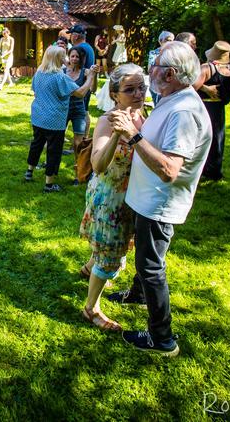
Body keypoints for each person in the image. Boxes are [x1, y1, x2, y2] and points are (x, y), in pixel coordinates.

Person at [106, 40, 211, 356]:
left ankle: (162, 339)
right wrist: (140, 126)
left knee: (151, 267)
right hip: (146, 197)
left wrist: (133, 136)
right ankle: (138, 295)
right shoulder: (171, 97)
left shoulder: (184, 111)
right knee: (144, 259)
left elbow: (169, 169)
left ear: (169, 73)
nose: (149, 70)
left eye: (154, 65)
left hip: (159, 202)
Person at [79, 64, 146, 331]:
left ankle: (89, 266)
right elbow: (97, 164)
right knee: (111, 254)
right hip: (111, 198)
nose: (138, 94)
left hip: (133, 196)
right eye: (130, 90)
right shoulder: (109, 121)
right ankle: (91, 308)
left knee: (110, 246)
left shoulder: (143, 115)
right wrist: (118, 133)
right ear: (115, 94)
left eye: (141, 87)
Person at [25, 45, 97, 192]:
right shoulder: (60, 77)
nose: (66, 59)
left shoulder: (38, 73)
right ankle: (49, 184)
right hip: (54, 120)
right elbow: (81, 93)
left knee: (36, 144)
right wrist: (90, 78)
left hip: (38, 117)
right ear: (58, 59)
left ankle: (29, 172)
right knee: (54, 150)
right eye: (63, 56)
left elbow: (35, 92)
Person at [193, 41, 230, 181]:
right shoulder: (229, 70)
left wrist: (205, 88)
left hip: (205, 107)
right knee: (217, 138)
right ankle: (214, 170)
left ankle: (200, 168)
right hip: (219, 108)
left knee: (201, 137)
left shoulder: (206, 68)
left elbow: (193, 87)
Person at [63, 47, 93, 163]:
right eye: (72, 56)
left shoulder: (85, 72)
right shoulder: (63, 71)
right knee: (58, 139)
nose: (74, 59)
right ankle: (51, 165)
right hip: (64, 108)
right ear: (69, 57)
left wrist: (92, 76)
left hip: (78, 110)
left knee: (78, 142)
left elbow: (93, 88)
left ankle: (78, 167)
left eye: (77, 57)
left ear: (81, 59)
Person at [68, 25, 96, 133]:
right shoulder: (88, 47)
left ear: (75, 36)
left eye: (71, 34)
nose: (70, 36)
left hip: (81, 86)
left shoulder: (81, 49)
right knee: (85, 111)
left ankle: (83, 141)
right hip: (86, 84)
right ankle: (84, 140)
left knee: (82, 113)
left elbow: (78, 68)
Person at [147, 31, 174, 106]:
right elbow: (150, 69)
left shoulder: (174, 53)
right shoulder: (154, 53)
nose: (171, 42)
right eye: (168, 40)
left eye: (172, 40)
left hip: (171, 86)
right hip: (157, 85)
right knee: (159, 106)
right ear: (160, 41)